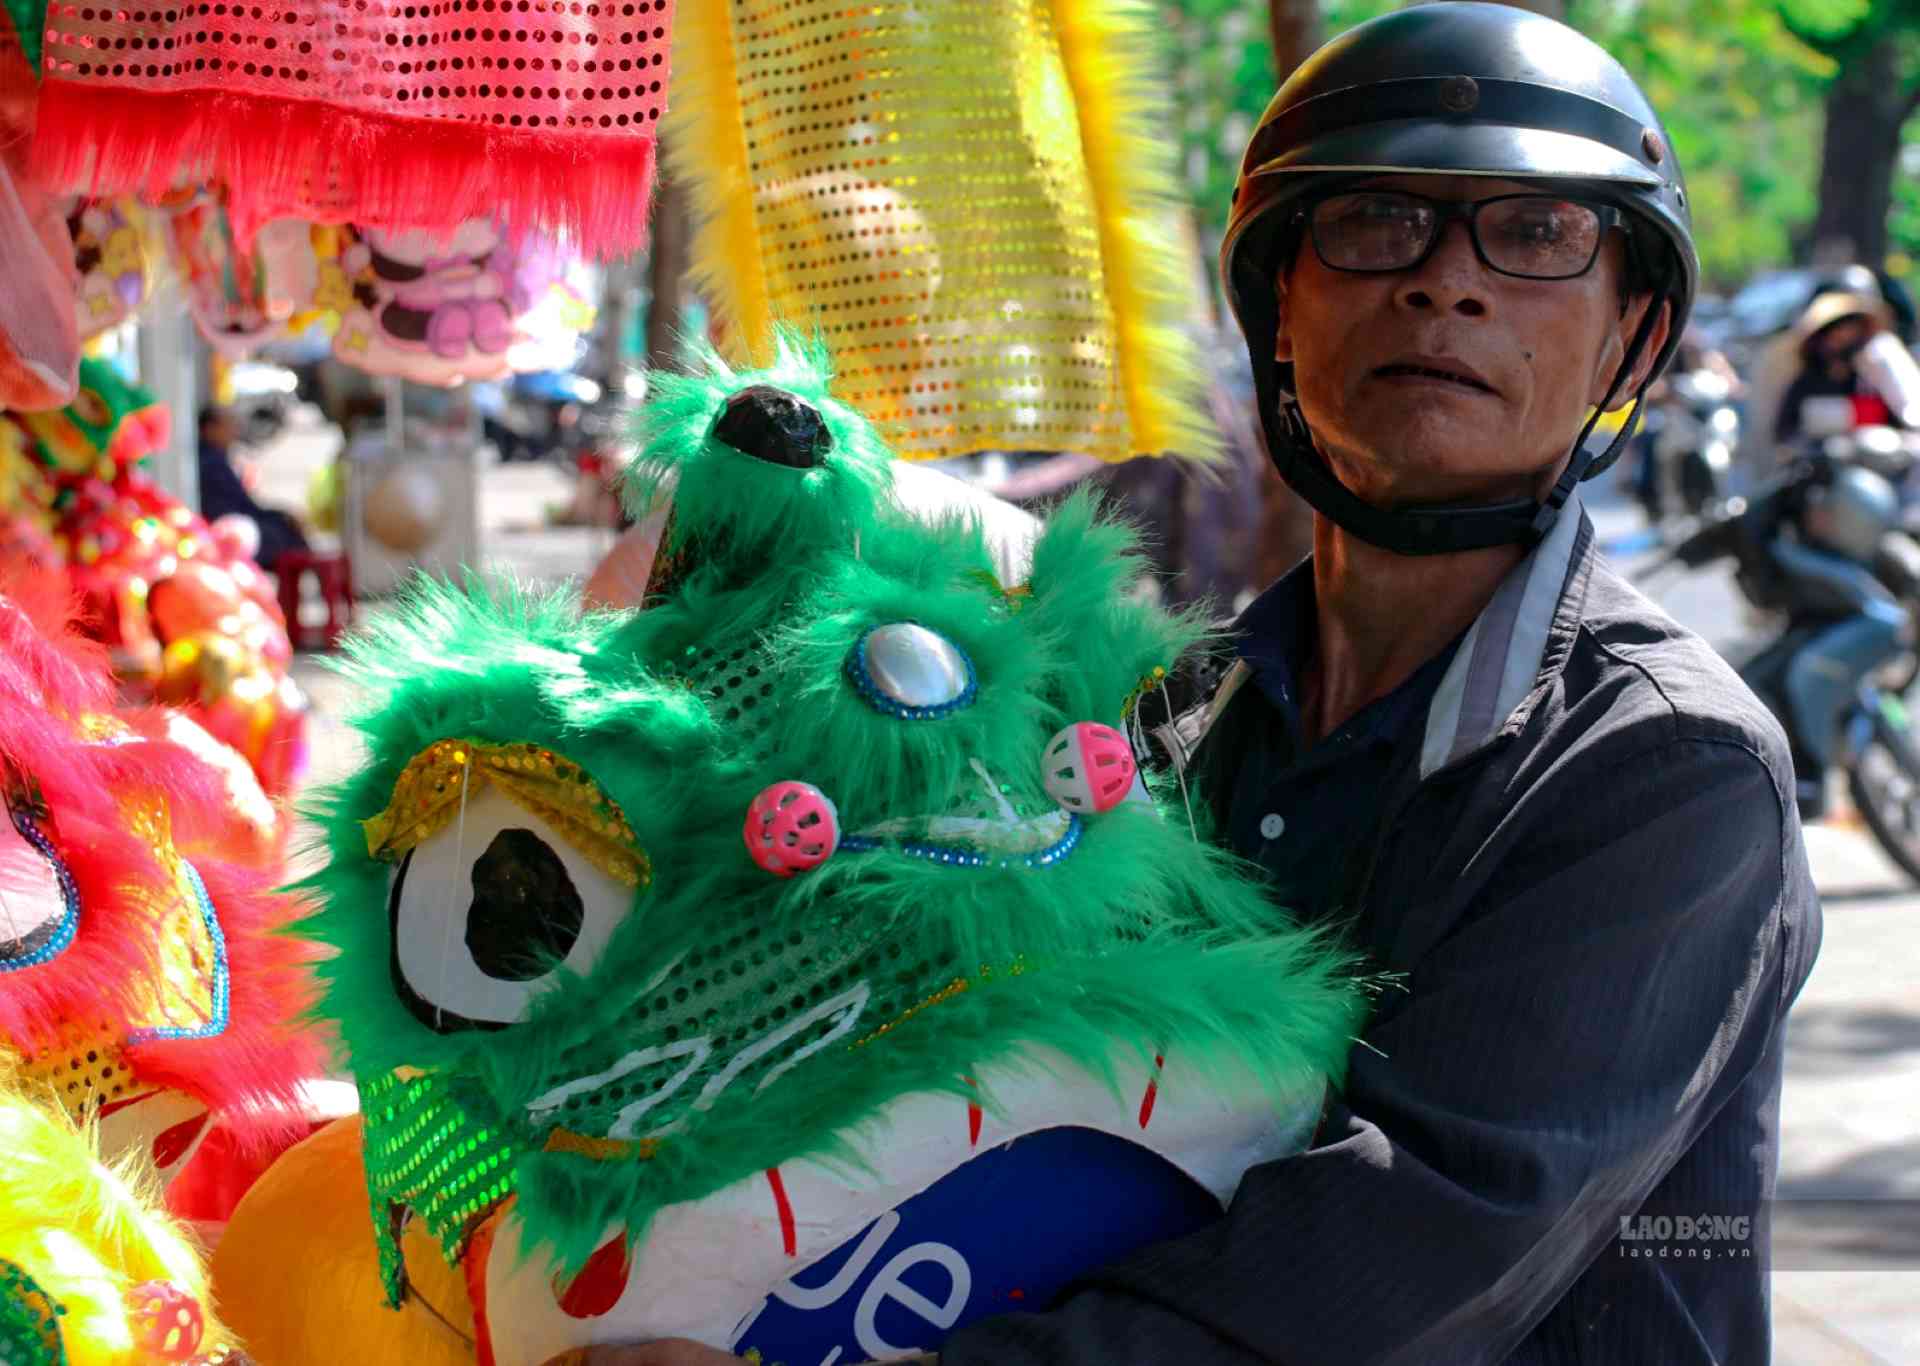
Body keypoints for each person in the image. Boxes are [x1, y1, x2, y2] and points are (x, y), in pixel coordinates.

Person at [549, 5, 1820, 1363]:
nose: (1448, 283)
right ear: (1280, 305)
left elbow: (1409, 1250)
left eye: (1539, 235)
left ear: (1632, 335)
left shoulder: (1664, 767)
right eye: (1377, 221)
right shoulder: (1168, 716)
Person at [1773, 290, 1901, 447]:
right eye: (1837, 331)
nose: (1844, 337)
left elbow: (1894, 422)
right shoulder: (1806, 383)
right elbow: (1785, 431)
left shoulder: (1869, 379)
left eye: (1851, 329)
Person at [196, 406, 310, 572]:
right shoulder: (210, 463)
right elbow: (236, 510)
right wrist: (282, 516)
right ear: (210, 429)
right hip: (228, 532)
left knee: (285, 527)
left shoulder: (216, 458)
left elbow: (246, 506)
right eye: (228, 425)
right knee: (282, 533)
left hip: (238, 524)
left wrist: (282, 514)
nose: (233, 431)